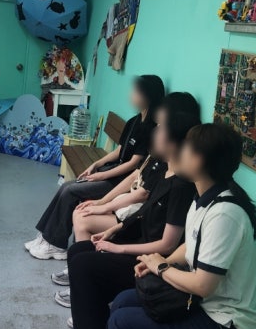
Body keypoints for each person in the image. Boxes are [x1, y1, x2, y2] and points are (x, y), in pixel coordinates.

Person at [96, 122, 256, 329]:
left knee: (124, 323)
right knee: (124, 303)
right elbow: (190, 245)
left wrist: (159, 268)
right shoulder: (205, 199)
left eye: (187, 147)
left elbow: (202, 285)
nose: (179, 152)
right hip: (205, 311)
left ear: (201, 160)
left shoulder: (225, 213)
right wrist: (162, 260)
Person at [63, 107, 199, 329]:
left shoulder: (181, 186)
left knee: (84, 264)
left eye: (161, 128)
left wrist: (118, 248)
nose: (155, 131)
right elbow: (143, 212)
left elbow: (168, 245)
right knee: (78, 251)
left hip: (148, 262)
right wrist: (115, 230)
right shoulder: (165, 172)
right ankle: (92, 319)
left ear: (173, 140)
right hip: (137, 244)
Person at [51, 92, 201, 288]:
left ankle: (79, 273)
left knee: (77, 208)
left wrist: (114, 238)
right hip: (133, 224)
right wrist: (110, 221)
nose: (156, 130)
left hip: (144, 247)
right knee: (75, 207)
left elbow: (165, 241)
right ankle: (59, 251)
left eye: (161, 126)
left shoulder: (179, 182)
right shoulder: (164, 167)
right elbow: (142, 205)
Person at [25, 75, 165, 260]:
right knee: (67, 186)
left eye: (136, 92)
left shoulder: (150, 129)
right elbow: (119, 151)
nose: (131, 95)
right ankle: (46, 237)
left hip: (120, 181)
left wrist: (101, 176)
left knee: (71, 191)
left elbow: (133, 164)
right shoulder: (134, 121)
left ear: (147, 96)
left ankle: (56, 245)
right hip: (112, 171)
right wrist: (96, 164)